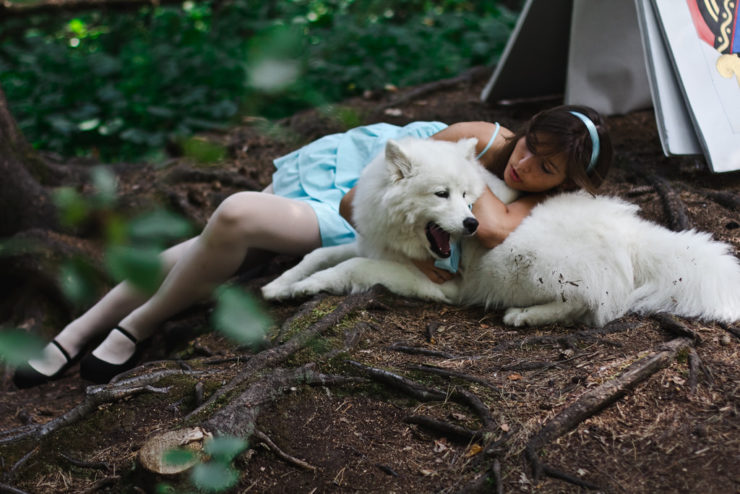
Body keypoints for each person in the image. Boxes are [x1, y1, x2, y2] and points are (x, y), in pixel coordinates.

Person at [12, 104, 612, 388]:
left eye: (549, 167)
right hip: (354, 192)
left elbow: (497, 230)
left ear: (568, 182)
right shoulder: (481, 141)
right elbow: (364, 198)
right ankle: (98, 329)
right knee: (222, 226)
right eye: (532, 145)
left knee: (232, 219)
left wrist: (427, 249)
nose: (529, 164)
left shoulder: (536, 199)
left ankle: (119, 328)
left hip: (384, 217)